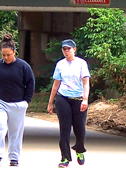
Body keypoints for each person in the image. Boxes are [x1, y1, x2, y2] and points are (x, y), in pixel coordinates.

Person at [0, 33, 35, 167]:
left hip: (18, 104)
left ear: (14, 52)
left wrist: (26, 101)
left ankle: (14, 158)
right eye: (3, 55)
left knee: (15, 132)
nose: (6, 58)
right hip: (0, 102)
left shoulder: (23, 66)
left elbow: (30, 83)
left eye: (8, 55)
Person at [47, 39, 90, 168]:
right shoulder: (60, 65)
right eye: (64, 49)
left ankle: (79, 149)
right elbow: (55, 85)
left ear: (74, 49)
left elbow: (86, 82)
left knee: (79, 128)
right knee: (64, 129)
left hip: (78, 99)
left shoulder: (82, 63)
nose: (66, 51)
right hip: (63, 98)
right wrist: (50, 103)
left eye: (69, 49)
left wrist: (85, 99)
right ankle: (65, 157)